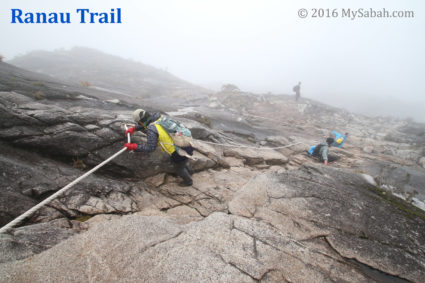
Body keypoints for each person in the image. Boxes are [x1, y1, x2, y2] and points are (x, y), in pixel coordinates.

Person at [124, 109, 194, 187]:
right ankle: (190, 171)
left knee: (179, 168)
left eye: (139, 123)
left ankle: (188, 182)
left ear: (140, 121)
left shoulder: (151, 129)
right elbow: (147, 124)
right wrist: (134, 128)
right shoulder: (159, 117)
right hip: (185, 143)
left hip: (177, 151)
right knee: (183, 162)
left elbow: (150, 147)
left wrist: (134, 147)